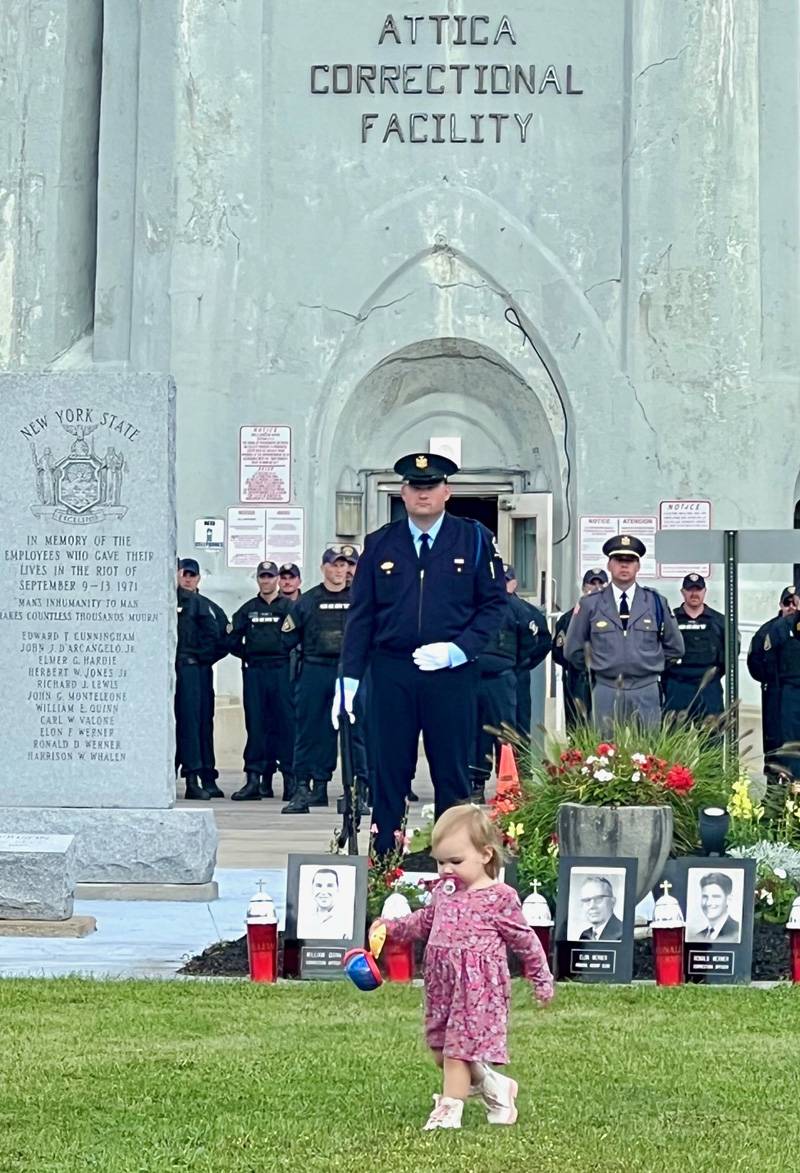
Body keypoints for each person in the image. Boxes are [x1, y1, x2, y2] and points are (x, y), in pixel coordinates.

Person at [338, 452, 508, 855]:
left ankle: (453, 862)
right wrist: (348, 678)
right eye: (416, 487)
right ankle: (384, 861)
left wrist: (459, 650)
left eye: (431, 486)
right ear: (403, 492)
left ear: (447, 491)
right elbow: (361, 615)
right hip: (392, 670)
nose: (423, 494)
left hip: (450, 673)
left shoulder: (475, 539)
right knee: (389, 771)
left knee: (451, 773)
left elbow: (494, 606)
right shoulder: (381, 543)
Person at [374, 805, 553, 1130]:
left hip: (478, 989)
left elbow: (525, 941)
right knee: (442, 1051)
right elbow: (424, 921)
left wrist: (541, 977)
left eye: (455, 862)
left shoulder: (500, 897)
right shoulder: (445, 893)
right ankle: (497, 1088)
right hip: (443, 986)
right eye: (440, 862)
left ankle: (449, 1110)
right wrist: (390, 927)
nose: (446, 870)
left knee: (457, 1051)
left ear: (485, 855)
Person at [564, 535, 684, 732]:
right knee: (605, 754)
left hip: (646, 689)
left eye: (630, 561)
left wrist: (648, 664)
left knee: (648, 755)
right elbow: (573, 649)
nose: (624, 566)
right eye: (619, 560)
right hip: (606, 688)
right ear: (609, 565)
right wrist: (599, 667)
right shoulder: (590, 604)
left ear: (638, 566)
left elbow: (676, 647)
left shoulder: (655, 602)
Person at [280, 546, 359, 813]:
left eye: (344, 565)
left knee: (352, 732)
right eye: (335, 565)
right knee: (309, 730)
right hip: (314, 670)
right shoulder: (307, 601)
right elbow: (287, 637)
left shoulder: (358, 599)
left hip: (347, 671)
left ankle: (354, 792)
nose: (339, 570)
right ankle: (303, 788)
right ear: (324, 567)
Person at [470, 567, 551, 801]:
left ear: (514, 583)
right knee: (477, 733)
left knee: (511, 731)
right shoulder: (475, 606)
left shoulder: (521, 609)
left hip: (507, 678)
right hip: (476, 680)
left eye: (505, 580)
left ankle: (514, 782)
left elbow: (539, 641)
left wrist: (519, 664)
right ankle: (476, 783)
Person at [228, 561, 295, 801]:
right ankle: (254, 779)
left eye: (270, 576)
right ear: (257, 580)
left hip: (281, 671)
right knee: (256, 725)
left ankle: (290, 780)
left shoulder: (289, 607)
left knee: (286, 725)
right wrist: (248, 655)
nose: (266, 581)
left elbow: (301, 637)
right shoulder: (248, 609)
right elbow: (231, 639)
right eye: (262, 577)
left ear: (277, 579)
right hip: (256, 672)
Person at [174, 558, 222, 800]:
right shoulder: (164, 602)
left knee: (194, 724)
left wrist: (201, 660)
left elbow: (220, 637)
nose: (187, 578)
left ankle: (195, 777)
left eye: (191, 575)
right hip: (167, 673)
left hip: (192, 672)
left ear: (198, 578)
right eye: (183, 574)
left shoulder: (202, 605)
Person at [662, 573, 727, 723]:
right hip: (677, 687)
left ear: (705, 591)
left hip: (709, 688)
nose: (694, 594)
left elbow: (729, 653)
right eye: (690, 590)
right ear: (682, 592)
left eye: (698, 589)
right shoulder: (670, 620)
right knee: (674, 740)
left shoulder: (719, 622)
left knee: (712, 741)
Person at [747, 587, 798, 766]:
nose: (791, 607)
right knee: (774, 744)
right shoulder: (767, 631)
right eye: (787, 603)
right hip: (774, 696)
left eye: (795, 602)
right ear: (780, 605)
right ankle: (775, 790)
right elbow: (754, 663)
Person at [552, 568, 608, 730]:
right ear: (584, 587)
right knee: (577, 728)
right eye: (592, 583)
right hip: (578, 680)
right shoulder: (569, 618)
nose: (596, 587)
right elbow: (558, 652)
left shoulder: (618, 618)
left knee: (607, 729)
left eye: (601, 583)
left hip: (607, 680)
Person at [502, 566, 551, 738]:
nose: (502, 584)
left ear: (514, 583)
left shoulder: (527, 610)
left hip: (517, 675)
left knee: (520, 731)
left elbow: (544, 642)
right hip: (489, 679)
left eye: (506, 580)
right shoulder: (483, 607)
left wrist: (524, 663)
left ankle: (520, 766)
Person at [296, 866, 353, 940]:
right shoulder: (303, 919)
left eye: (329, 886)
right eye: (319, 886)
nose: (323, 892)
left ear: (337, 889)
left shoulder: (347, 921)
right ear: (312, 889)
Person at [689, 871, 740, 943]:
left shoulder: (738, 932)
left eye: (716, 897)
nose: (708, 902)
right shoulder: (698, 937)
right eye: (705, 897)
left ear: (728, 899)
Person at [576, 875, 623, 941]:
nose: (592, 906)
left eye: (598, 899)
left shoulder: (623, 934)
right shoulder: (585, 936)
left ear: (613, 902)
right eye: (587, 900)